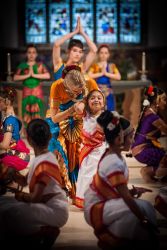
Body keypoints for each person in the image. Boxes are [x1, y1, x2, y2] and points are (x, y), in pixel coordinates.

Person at [84, 110, 158, 249]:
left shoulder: (115, 156)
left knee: (143, 207)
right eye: (131, 137)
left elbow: (119, 192)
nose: (134, 141)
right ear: (120, 138)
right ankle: (113, 241)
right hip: (97, 208)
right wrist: (144, 220)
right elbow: (126, 199)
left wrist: (132, 193)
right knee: (140, 211)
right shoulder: (113, 161)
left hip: (105, 203)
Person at [0, 119, 69, 249]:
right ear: (49, 137)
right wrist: (12, 173)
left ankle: (42, 234)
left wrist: (20, 196)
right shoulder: (41, 158)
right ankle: (41, 233)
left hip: (55, 211)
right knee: (3, 204)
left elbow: (35, 198)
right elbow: (24, 181)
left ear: (29, 139)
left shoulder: (45, 162)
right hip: (49, 206)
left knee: (8, 214)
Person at [48, 65, 98, 202]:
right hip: (60, 117)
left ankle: (85, 187)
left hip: (82, 117)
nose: (78, 93)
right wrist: (71, 110)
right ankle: (61, 186)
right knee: (57, 148)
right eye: (75, 91)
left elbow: (100, 102)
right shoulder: (57, 86)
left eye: (81, 91)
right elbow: (54, 118)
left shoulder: (89, 82)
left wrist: (85, 104)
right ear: (66, 86)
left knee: (84, 149)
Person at [75, 90, 108, 208]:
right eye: (93, 98)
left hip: (102, 151)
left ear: (103, 103)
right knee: (86, 176)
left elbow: (116, 131)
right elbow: (78, 108)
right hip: (87, 154)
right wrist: (84, 99)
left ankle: (100, 200)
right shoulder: (85, 116)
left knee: (100, 176)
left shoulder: (108, 116)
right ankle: (87, 201)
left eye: (99, 98)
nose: (96, 100)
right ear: (87, 102)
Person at [131, 86, 167, 183]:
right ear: (156, 100)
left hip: (139, 150)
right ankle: (148, 171)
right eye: (164, 99)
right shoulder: (152, 117)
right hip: (143, 151)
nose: (165, 102)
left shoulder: (147, 113)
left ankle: (150, 171)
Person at [0, 86, 30, 192]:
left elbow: (5, 145)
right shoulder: (10, 116)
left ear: (7, 102)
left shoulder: (10, 121)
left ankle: (12, 183)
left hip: (16, 154)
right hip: (15, 150)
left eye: (0, 101)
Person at [13, 44, 50, 128]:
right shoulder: (22, 65)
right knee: (26, 117)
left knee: (39, 116)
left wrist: (33, 75)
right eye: (29, 52)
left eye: (33, 52)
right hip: (26, 94)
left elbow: (47, 75)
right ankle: (28, 136)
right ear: (26, 54)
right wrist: (28, 75)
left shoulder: (40, 65)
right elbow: (15, 77)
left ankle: (38, 136)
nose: (31, 54)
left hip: (37, 94)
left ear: (36, 54)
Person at [88, 44, 121, 111]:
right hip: (97, 92)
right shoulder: (95, 66)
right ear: (98, 54)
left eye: (106, 53)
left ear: (108, 55)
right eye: (101, 52)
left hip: (108, 92)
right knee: (98, 112)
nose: (103, 55)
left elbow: (118, 77)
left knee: (109, 112)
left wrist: (106, 73)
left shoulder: (111, 66)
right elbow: (89, 76)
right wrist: (101, 73)